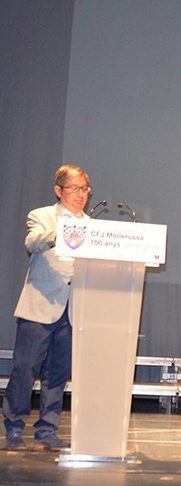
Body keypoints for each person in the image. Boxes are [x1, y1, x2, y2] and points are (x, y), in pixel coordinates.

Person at [3, 165, 91, 452]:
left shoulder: (93, 225)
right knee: (25, 369)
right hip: (39, 309)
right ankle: (14, 428)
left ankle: (47, 431)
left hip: (72, 311)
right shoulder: (42, 216)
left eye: (85, 189)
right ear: (59, 190)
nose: (81, 195)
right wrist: (63, 231)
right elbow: (32, 242)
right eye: (75, 189)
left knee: (57, 373)